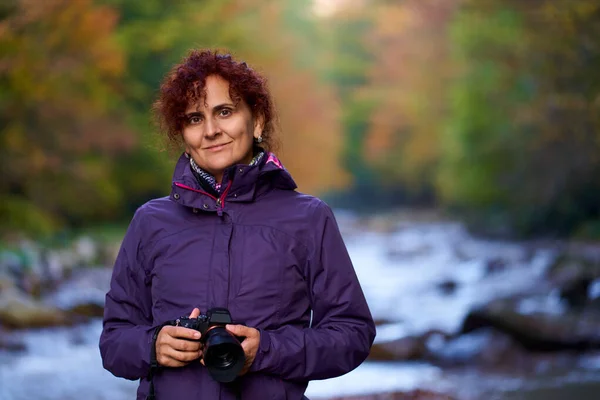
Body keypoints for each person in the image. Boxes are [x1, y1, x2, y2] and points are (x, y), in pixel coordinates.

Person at [99, 49, 376, 400]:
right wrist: (152, 345)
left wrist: (268, 349)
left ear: (256, 120)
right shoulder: (151, 222)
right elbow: (113, 342)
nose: (212, 131)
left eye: (224, 112)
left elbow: (353, 334)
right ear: (181, 132)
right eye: (194, 119)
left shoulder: (308, 218)